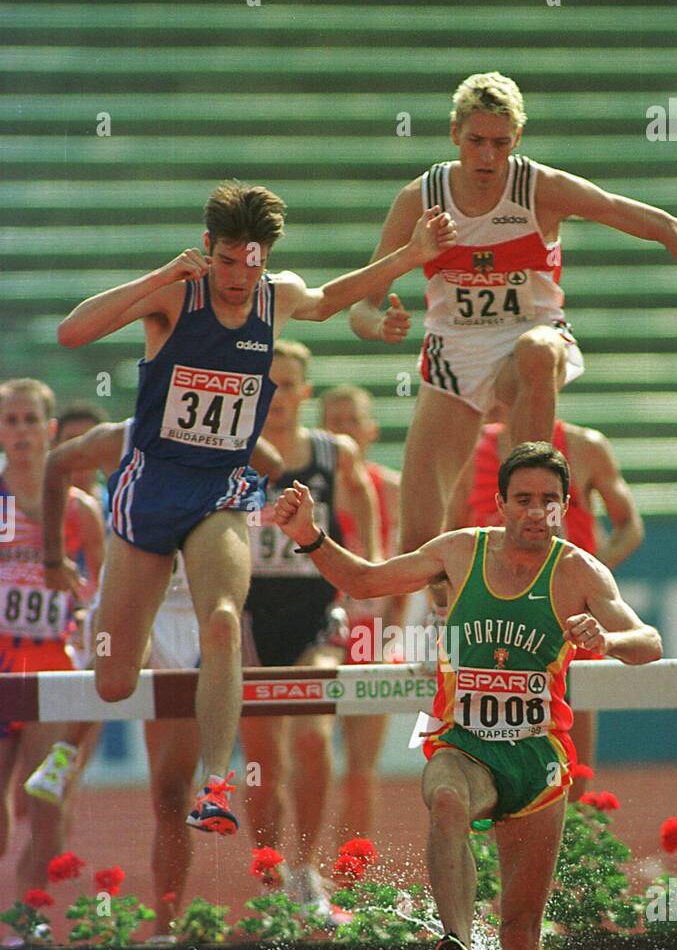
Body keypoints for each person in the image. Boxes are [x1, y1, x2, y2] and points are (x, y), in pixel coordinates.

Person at [53, 180, 456, 834]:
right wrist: (160, 273)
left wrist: (408, 257)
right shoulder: (174, 295)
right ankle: (99, 623)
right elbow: (73, 332)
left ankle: (215, 787)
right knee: (114, 682)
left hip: (220, 488)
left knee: (220, 624)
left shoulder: (274, 298)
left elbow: (329, 300)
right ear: (207, 248)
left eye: (254, 262)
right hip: (150, 487)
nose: (240, 277)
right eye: (229, 261)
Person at [270, 440, 662, 950]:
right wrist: (309, 535)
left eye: (549, 501)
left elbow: (648, 641)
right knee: (447, 799)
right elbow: (367, 582)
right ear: (499, 503)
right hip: (463, 742)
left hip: (537, 762)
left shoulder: (579, 571)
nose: (536, 511)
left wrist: (607, 640)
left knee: (522, 932)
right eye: (523, 499)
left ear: (563, 506)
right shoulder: (460, 553)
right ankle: (455, 943)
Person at [349, 70, 677, 555]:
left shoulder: (540, 188)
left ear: (518, 139)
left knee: (537, 349)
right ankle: (459, 618)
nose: (488, 157)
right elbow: (362, 305)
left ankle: (530, 501)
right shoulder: (420, 199)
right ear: (454, 133)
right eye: (476, 141)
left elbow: (667, 227)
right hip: (454, 358)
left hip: (529, 340)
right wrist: (378, 324)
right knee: (420, 542)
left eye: (500, 143)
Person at [30, 418, 282, 932]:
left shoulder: (223, 433)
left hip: (196, 616)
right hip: (133, 600)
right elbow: (57, 464)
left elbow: (276, 465)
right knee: (119, 663)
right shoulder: (122, 435)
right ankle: (65, 753)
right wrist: (53, 558)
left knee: (170, 795)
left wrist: (243, 458)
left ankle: (166, 926)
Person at [240, 343, 382, 914]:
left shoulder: (331, 451)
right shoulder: (237, 451)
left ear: (305, 392)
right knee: (262, 761)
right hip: (252, 615)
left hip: (316, 614)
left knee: (313, 735)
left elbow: (364, 495)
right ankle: (270, 881)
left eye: (289, 384)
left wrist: (366, 564)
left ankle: (304, 869)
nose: (277, 395)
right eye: (267, 385)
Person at [445, 405, 644, 789]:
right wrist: (454, 604)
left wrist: (585, 575)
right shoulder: (473, 449)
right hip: (494, 619)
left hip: (566, 614)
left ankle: (572, 833)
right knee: (487, 753)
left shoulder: (585, 445)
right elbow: (450, 531)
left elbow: (630, 525)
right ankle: (494, 836)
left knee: (573, 764)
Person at [0, 378, 104, 900]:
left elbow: (110, 594)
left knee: (43, 797)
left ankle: (32, 914)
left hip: (52, 662)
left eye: (29, 420)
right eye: (10, 421)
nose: (20, 431)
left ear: (51, 429)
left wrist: (84, 605)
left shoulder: (79, 510)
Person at [320, 383, 403, 838]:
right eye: (335, 421)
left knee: (361, 766)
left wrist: (390, 634)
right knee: (309, 759)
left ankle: (352, 874)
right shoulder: (306, 490)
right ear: (320, 430)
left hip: (370, 634)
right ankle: (303, 869)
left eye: (353, 420)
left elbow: (406, 569)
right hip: (316, 634)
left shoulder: (392, 489)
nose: (345, 430)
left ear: (370, 430)